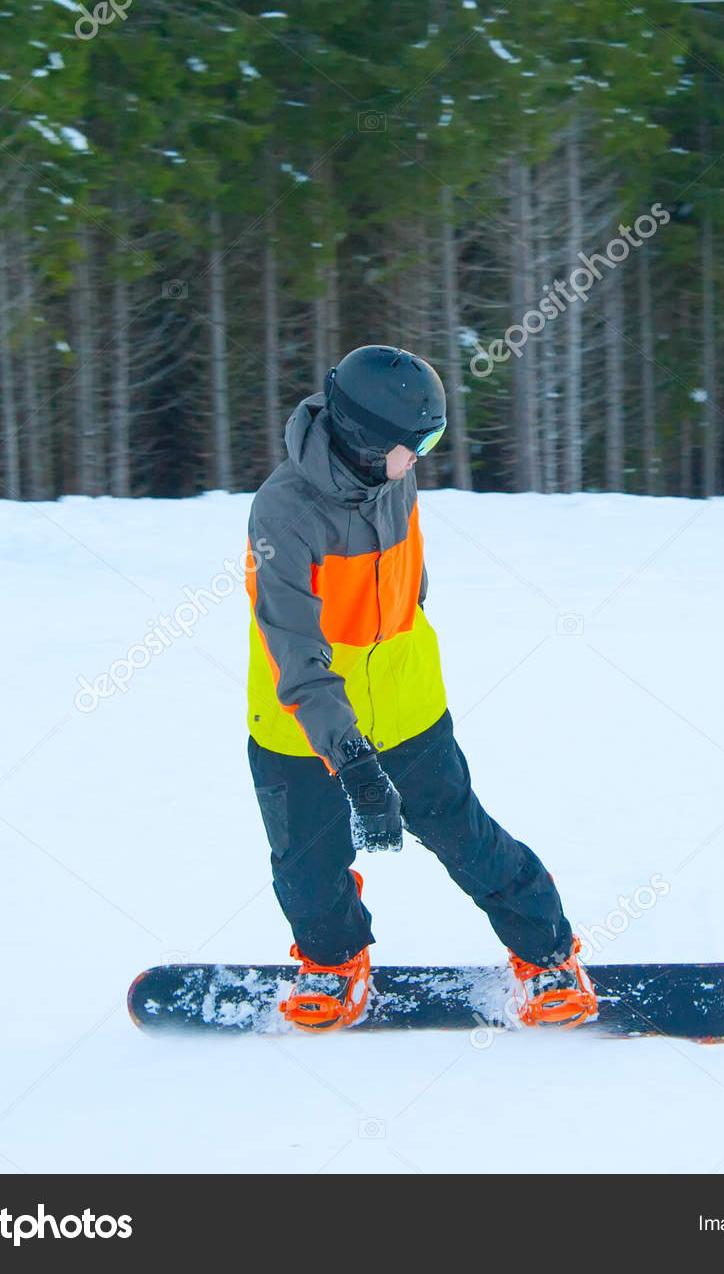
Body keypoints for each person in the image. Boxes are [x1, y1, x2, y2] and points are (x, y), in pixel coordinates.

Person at [244, 344, 595, 1031]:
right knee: (307, 862)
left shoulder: (390, 475)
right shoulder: (282, 514)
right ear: (367, 441)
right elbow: (295, 648)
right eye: (418, 442)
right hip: (298, 719)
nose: (424, 456)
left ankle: (547, 955)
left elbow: (409, 581)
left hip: (408, 709)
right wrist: (352, 762)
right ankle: (333, 961)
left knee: (465, 836)